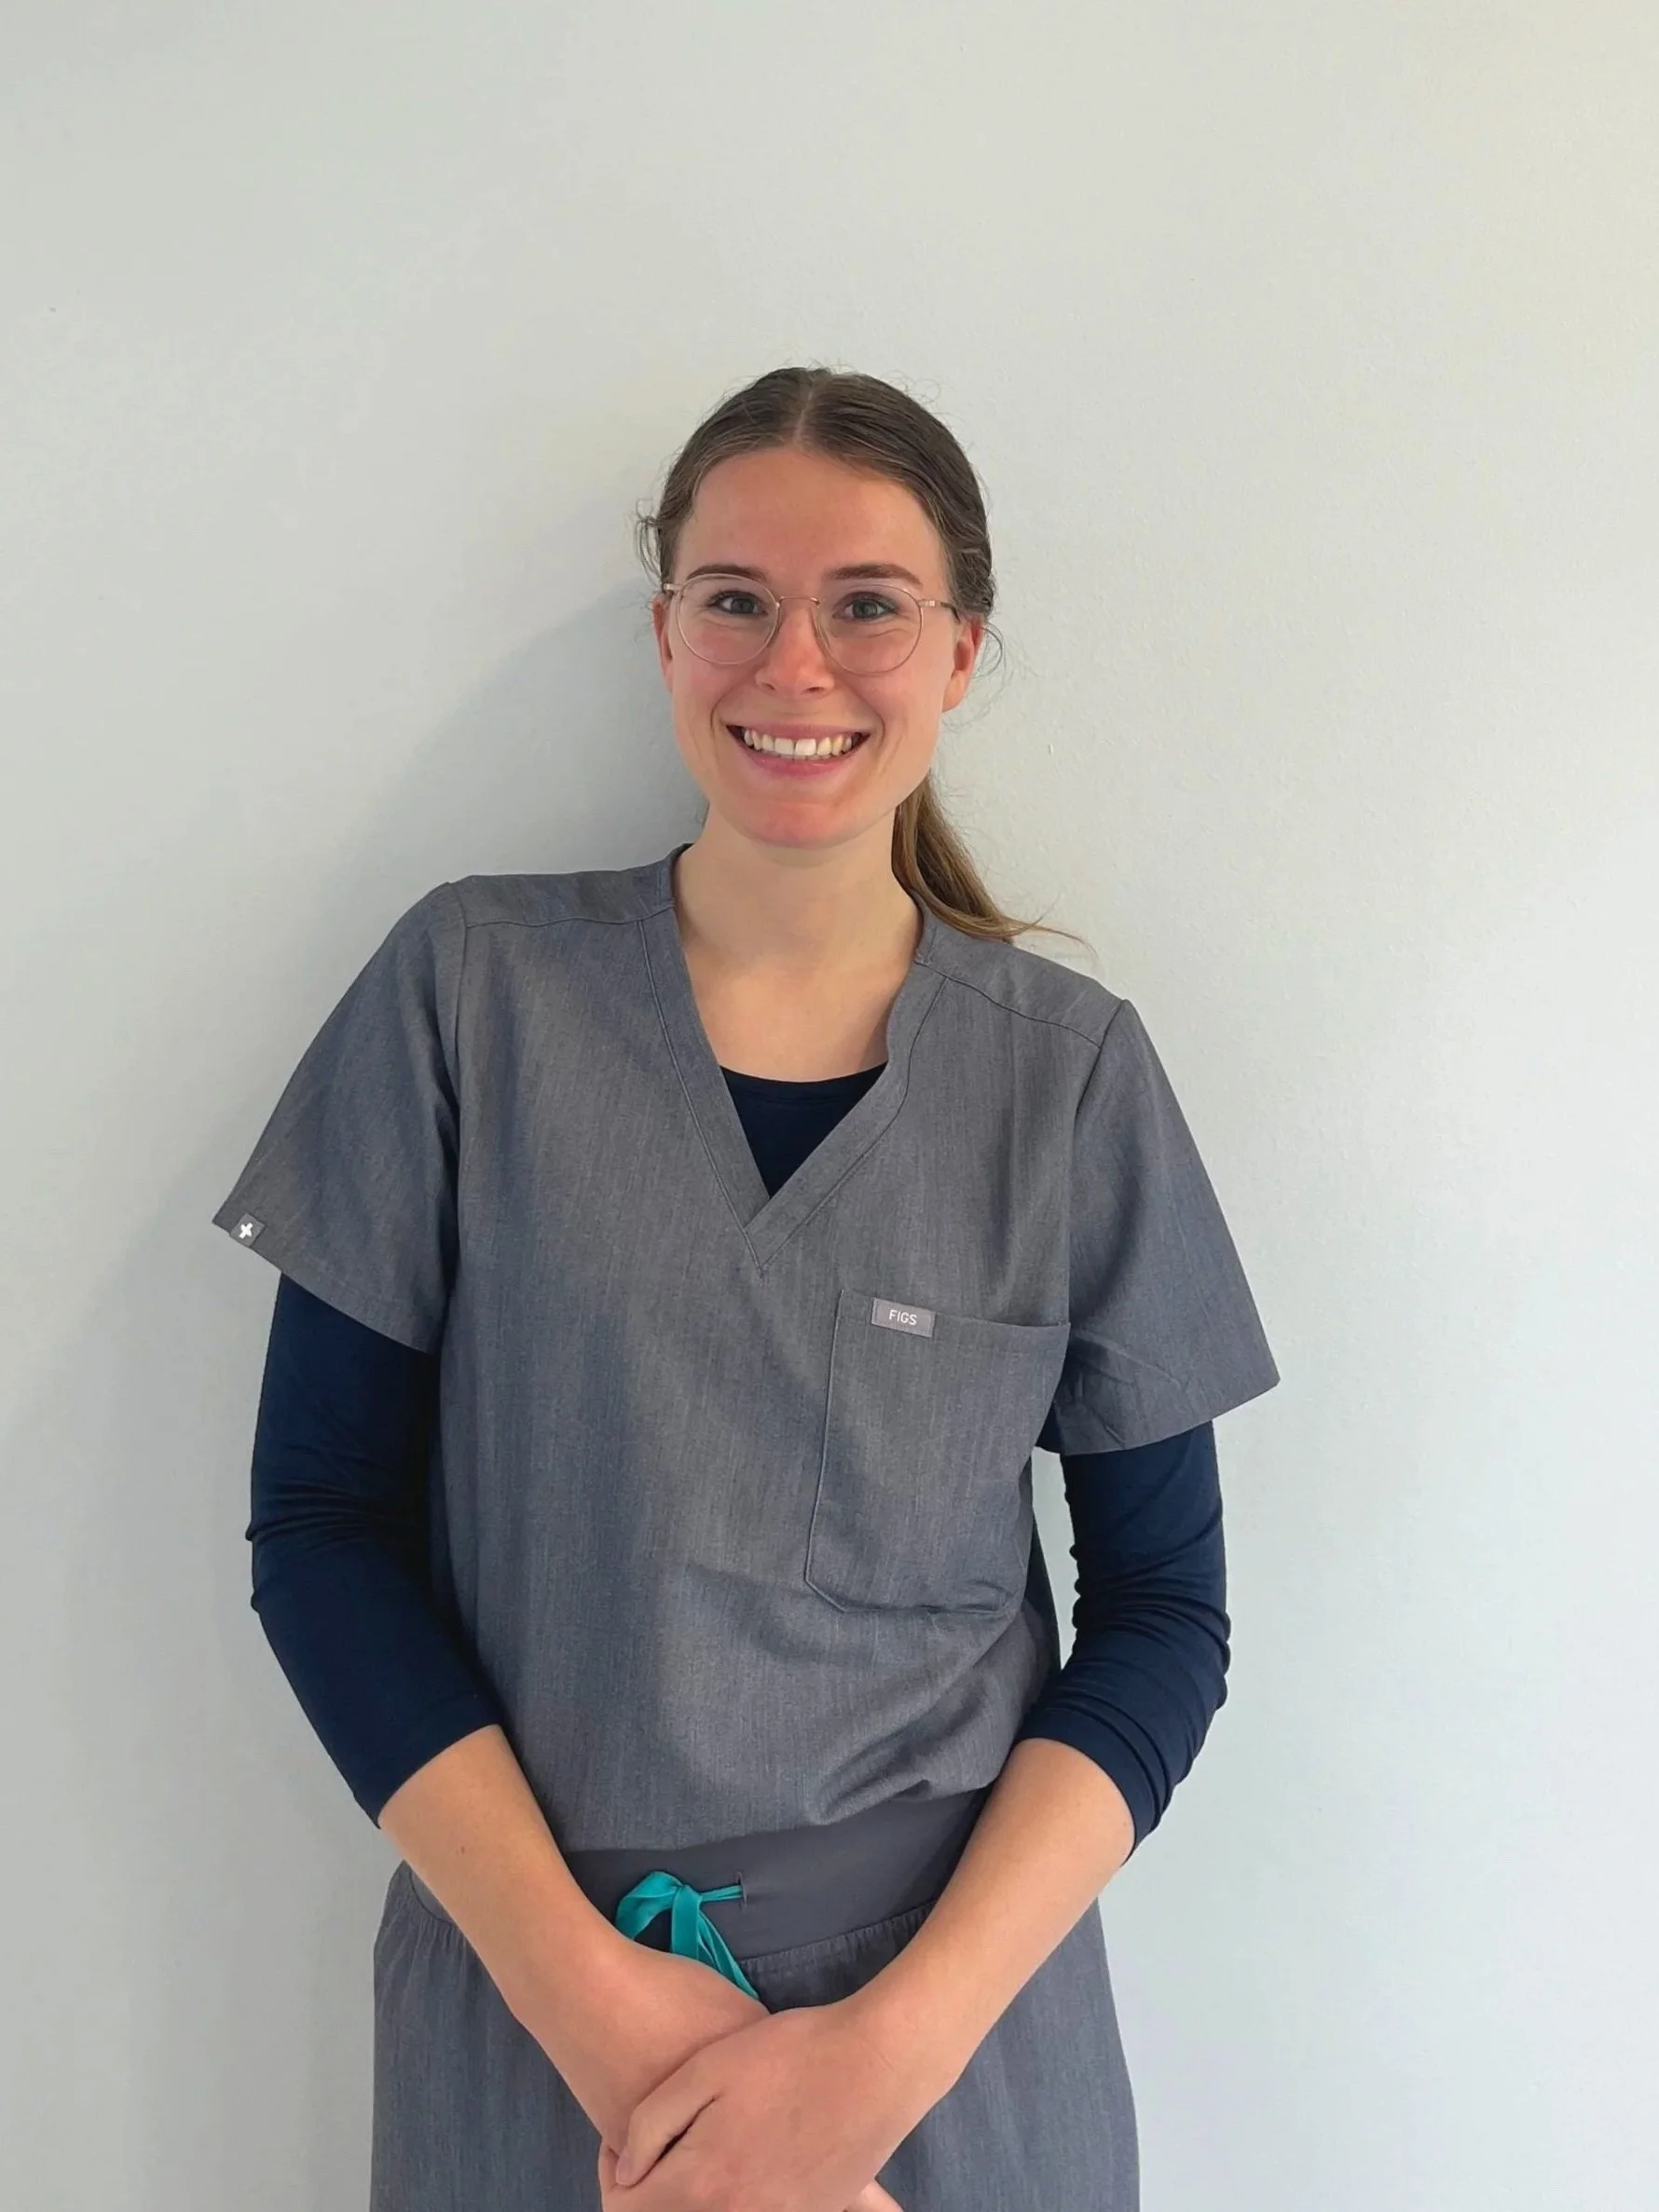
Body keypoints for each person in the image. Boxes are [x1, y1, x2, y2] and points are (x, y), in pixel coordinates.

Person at [213, 363, 1280, 2211]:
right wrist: (615, 2025)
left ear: (955, 651)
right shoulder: (470, 995)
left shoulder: (1067, 1079)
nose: (795, 664)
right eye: (735, 600)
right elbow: (320, 1524)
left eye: (865, 603)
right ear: (664, 632)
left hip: (946, 2058)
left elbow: (1162, 1612)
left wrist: (880, 2063)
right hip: (541, 2025)